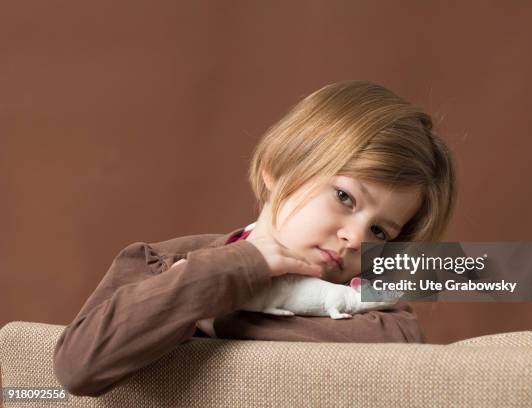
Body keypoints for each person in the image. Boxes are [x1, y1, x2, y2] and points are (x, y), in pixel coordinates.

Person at [52, 80, 457, 397]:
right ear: (278, 169)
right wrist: (242, 266)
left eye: (379, 231)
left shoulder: (377, 312)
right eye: (344, 197)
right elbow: (79, 366)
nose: (354, 238)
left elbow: (401, 358)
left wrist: (215, 321)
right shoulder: (163, 263)